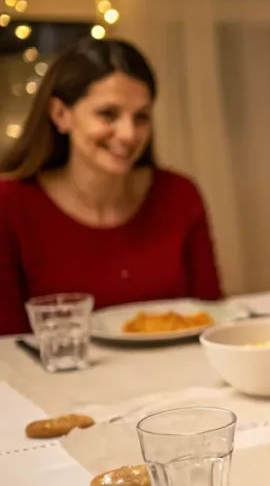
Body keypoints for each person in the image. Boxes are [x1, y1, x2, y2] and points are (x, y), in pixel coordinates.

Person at [0, 37, 223, 335]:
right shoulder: (10, 205)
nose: (129, 134)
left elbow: (213, 318)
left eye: (141, 117)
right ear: (60, 115)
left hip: (180, 378)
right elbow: (6, 347)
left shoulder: (179, 195)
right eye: (108, 114)